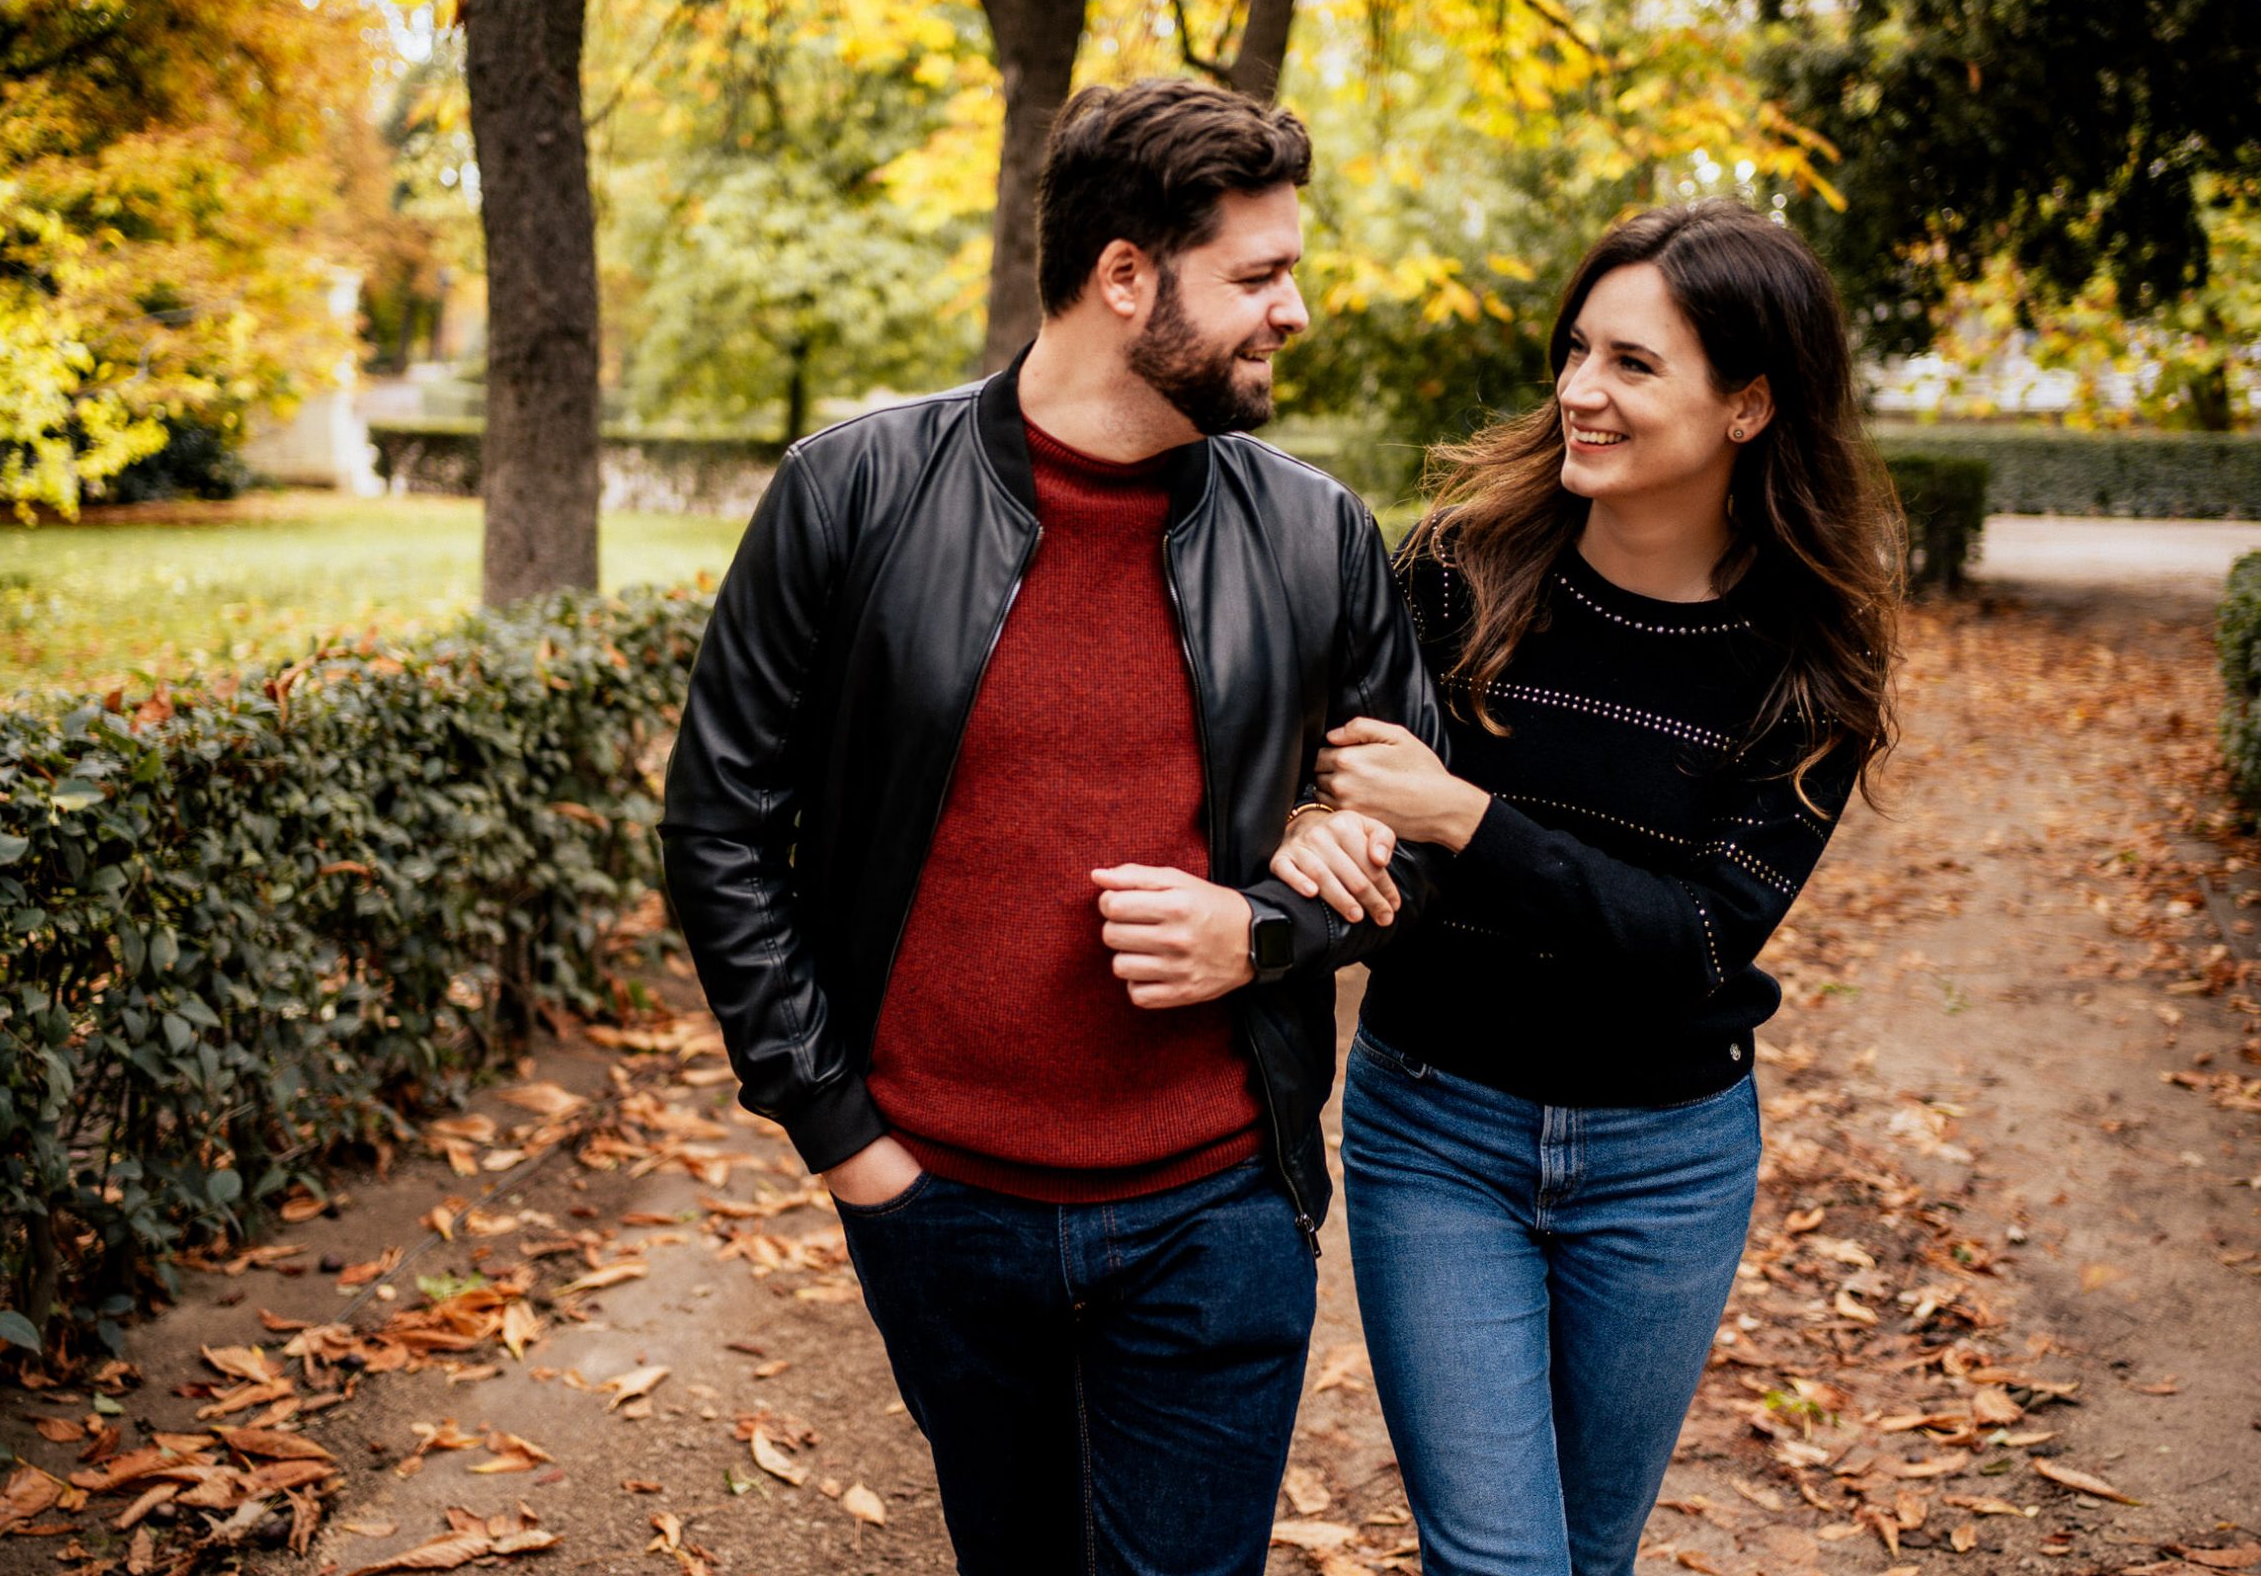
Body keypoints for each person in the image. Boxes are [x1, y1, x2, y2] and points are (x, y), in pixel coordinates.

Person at [659, 77, 1446, 1576]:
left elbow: (1411, 810)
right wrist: (841, 1136)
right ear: (1126, 275)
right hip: (940, 1200)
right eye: (1260, 276)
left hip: (1218, 1206)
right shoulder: (855, 491)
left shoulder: (1315, 532)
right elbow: (719, 826)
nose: (1297, 311)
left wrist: (1271, 926)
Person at [1273, 200, 1905, 1576]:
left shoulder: (1808, 666)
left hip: (1667, 1162)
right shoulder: (1457, 575)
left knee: (1589, 1556)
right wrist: (1316, 825)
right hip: (1435, 1128)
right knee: (1505, 1562)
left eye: (1631, 364)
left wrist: (1462, 817)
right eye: (1575, 351)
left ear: (1748, 406)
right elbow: (1319, 779)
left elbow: (1694, 938)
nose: (1577, 390)